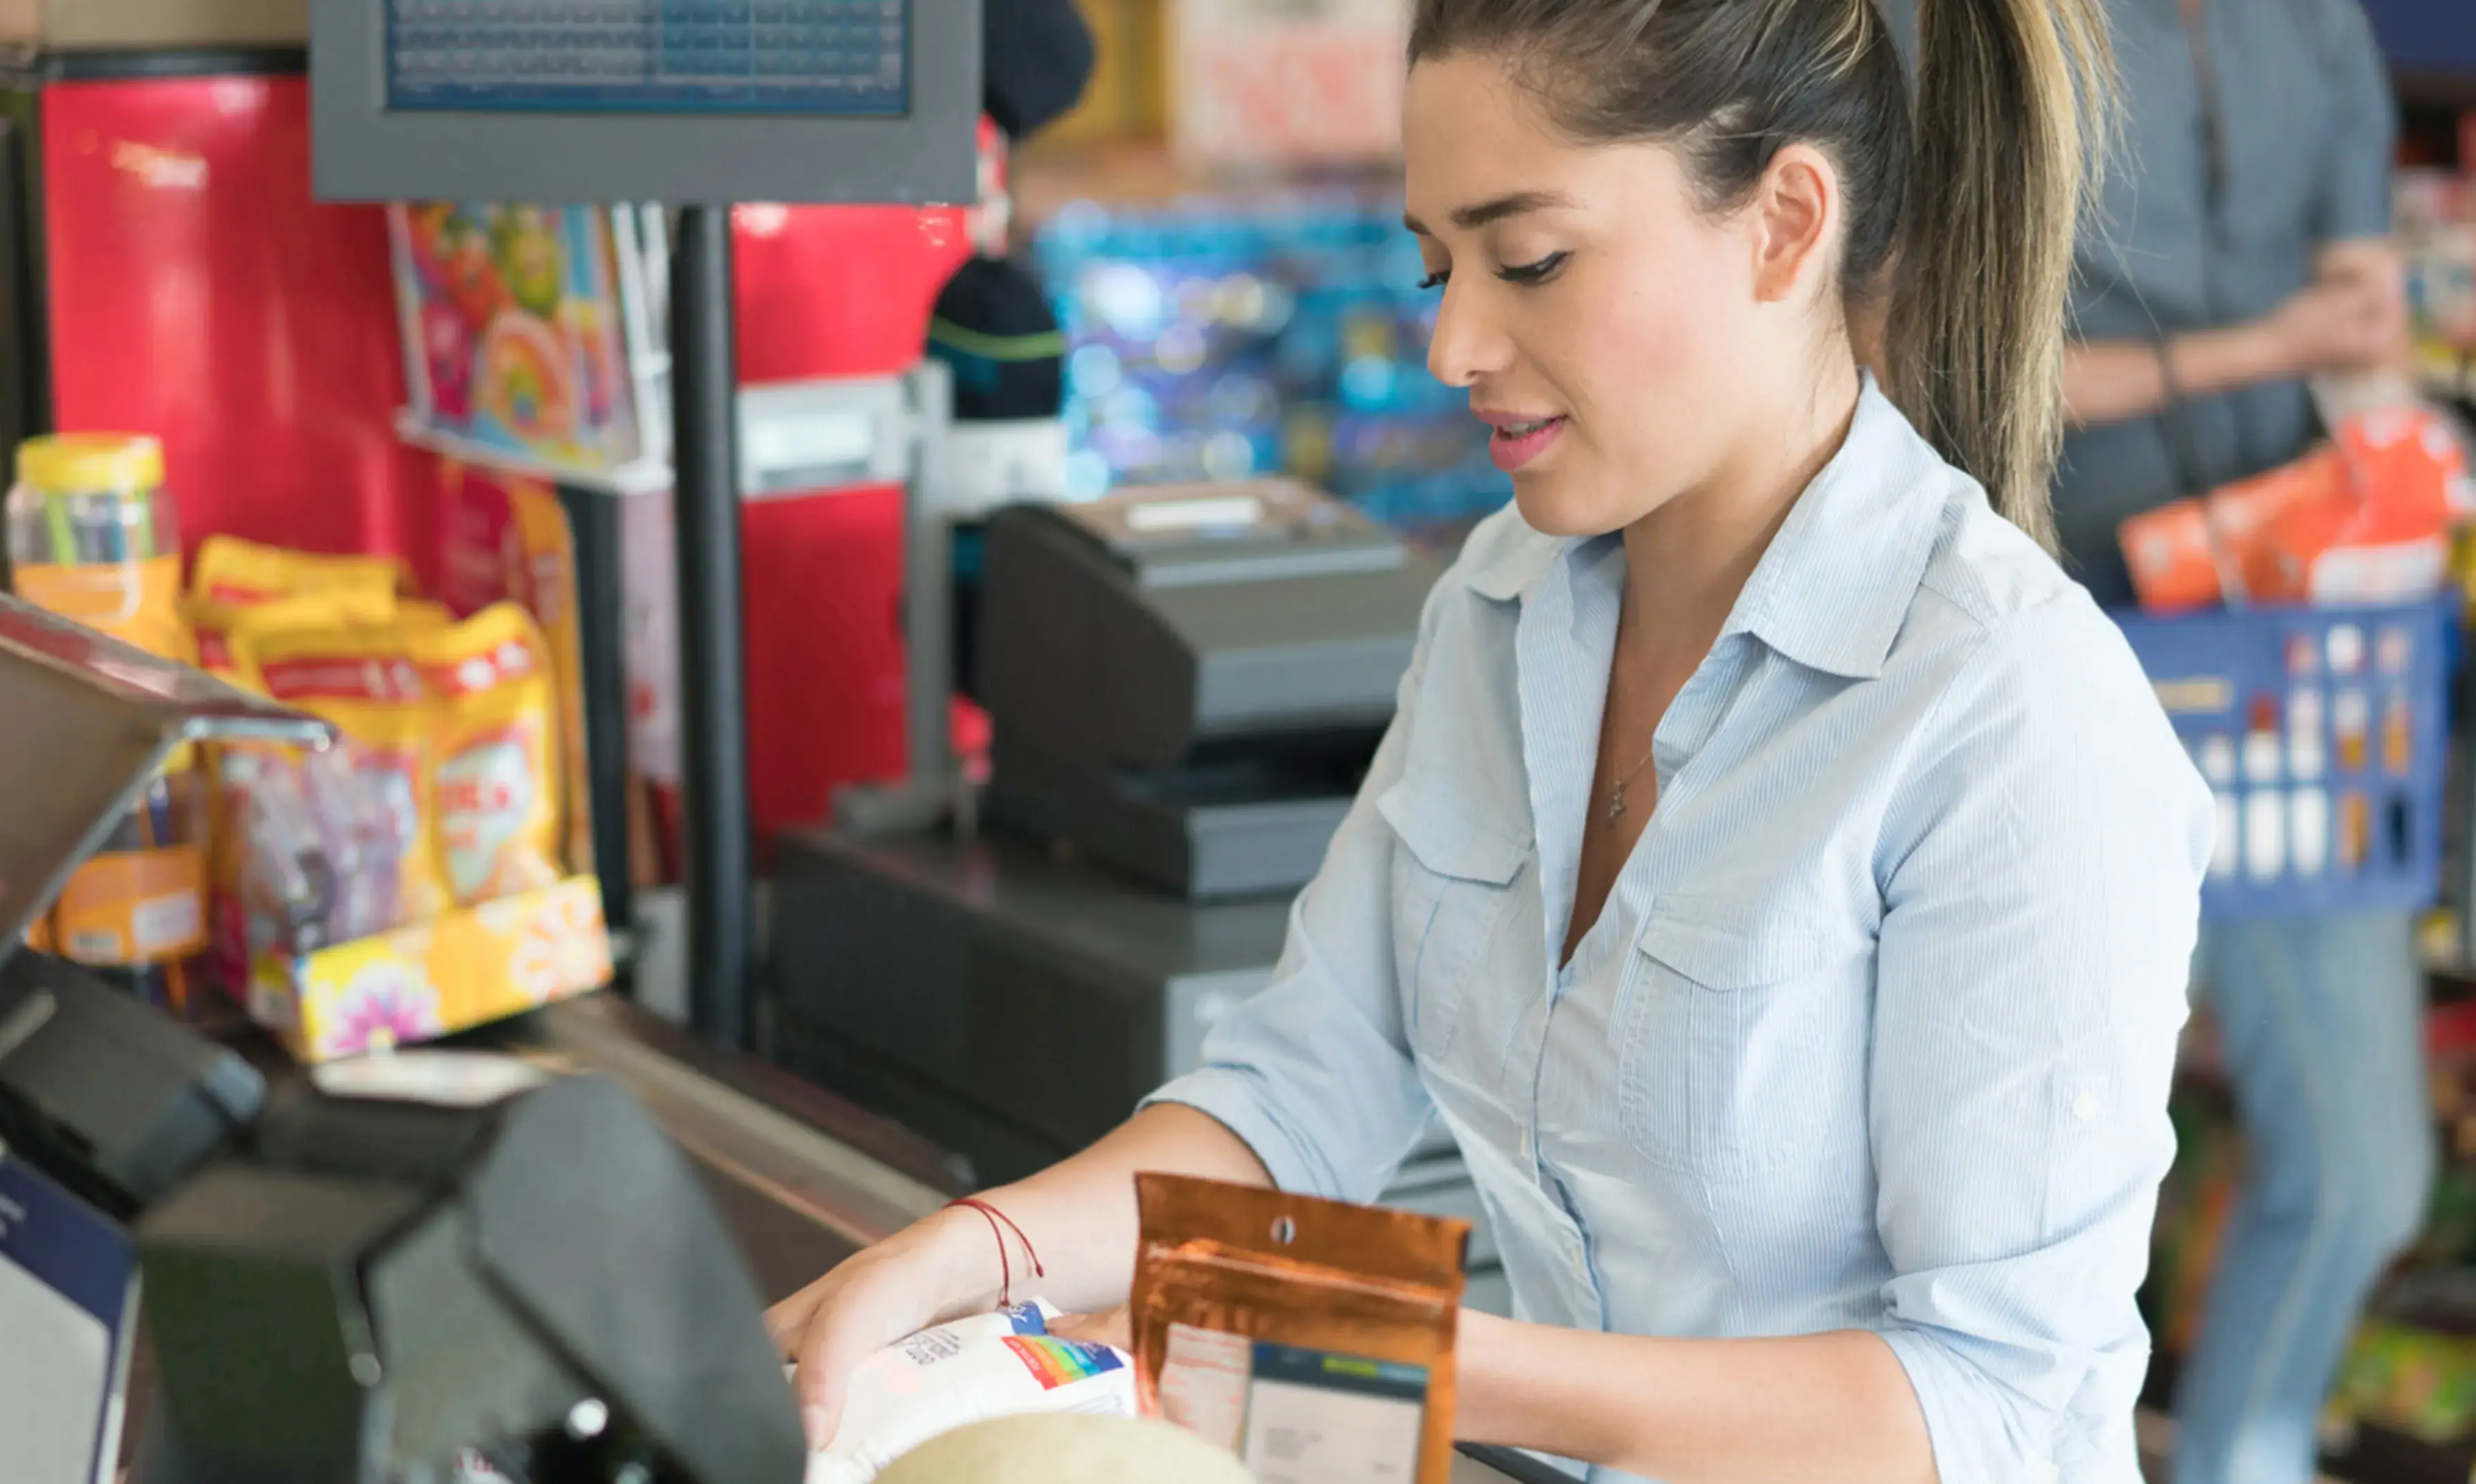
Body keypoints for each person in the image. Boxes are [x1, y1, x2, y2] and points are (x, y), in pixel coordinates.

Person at [770, 0, 2215, 1479]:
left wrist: (1422, 1358)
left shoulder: (2009, 713)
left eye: (1530, 261)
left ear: (1785, 226)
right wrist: (975, 1253)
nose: (1455, 340)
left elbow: (1991, 1400)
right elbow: (1294, 1096)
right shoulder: (1500, 603)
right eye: (1434, 264)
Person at [2031, 0, 2428, 1478]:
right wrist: (2265, 344)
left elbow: (2360, 322)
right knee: (2021, 1181)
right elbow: (1960, 366)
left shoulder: (2315, 27)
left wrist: (2400, 479)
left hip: (2285, 659)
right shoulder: (1989, 35)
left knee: (2360, 1172)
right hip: (2056, 638)